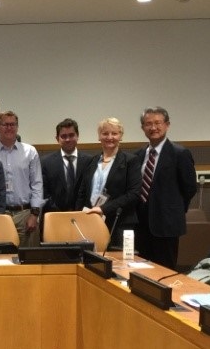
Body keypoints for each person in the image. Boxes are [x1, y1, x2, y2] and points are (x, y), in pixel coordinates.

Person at [135, 107, 197, 269]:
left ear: (167, 125)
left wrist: (174, 210)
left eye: (158, 123)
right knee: (140, 271)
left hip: (166, 224)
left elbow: (190, 188)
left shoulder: (180, 153)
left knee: (164, 271)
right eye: (148, 124)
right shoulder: (139, 155)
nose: (153, 127)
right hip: (141, 224)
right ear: (142, 128)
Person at [76, 117, 141, 248]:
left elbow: (134, 194)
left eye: (114, 133)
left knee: (117, 260)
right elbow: (82, 192)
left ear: (120, 136)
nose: (109, 137)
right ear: (99, 136)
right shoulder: (92, 161)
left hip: (120, 222)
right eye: (105, 133)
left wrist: (103, 209)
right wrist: (80, 216)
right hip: (92, 220)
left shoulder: (130, 161)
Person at [0, 111, 44, 247]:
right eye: (5, 124)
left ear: (17, 127)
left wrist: (34, 215)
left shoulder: (30, 151)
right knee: (0, 256)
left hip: (25, 214)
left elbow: (37, 184)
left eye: (13, 124)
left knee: (29, 257)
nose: (9, 128)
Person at [40, 119, 93, 233]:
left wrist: (79, 212)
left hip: (83, 217)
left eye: (71, 135)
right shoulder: (45, 162)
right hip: (54, 218)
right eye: (63, 136)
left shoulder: (90, 161)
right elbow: (43, 192)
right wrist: (60, 213)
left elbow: (90, 190)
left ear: (77, 136)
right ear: (57, 139)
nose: (68, 139)